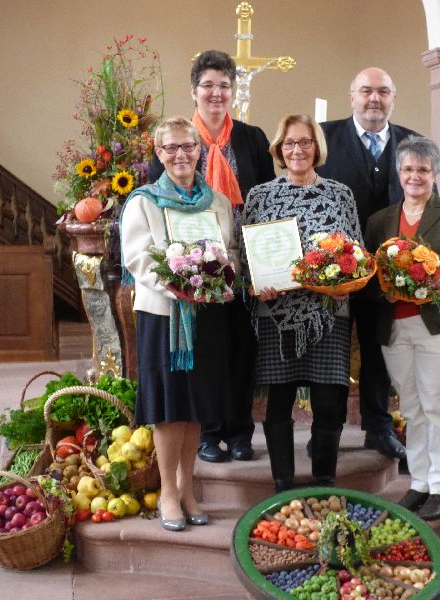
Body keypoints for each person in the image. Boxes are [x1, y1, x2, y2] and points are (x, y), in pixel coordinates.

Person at [151, 50, 276, 464]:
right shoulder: (179, 141)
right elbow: (159, 199)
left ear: (233, 91)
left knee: (241, 346)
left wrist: (263, 261)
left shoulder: (252, 138)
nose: (216, 93)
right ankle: (208, 432)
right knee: (204, 350)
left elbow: (266, 200)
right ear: (194, 91)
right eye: (208, 85)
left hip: (243, 263)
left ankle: (240, 432)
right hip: (195, 270)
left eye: (224, 85)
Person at [121, 116, 239, 531]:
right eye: (170, 148)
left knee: (195, 408)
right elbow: (138, 259)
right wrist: (180, 286)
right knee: (170, 409)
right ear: (159, 154)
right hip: (164, 316)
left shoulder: (217, 202)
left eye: (187, 146)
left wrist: (221, 276)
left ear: (199, 150)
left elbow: (229, 252)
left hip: (206, 318)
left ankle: (188, 488)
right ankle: (168, 494)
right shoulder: (144, 202)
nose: (180, 155)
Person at [244, 114, 362, 491]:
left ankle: (324, 479)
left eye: (305, 142)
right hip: (277, 314)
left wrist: (346, 284)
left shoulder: (340, 193)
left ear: (317, 148)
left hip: (328, 311)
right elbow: (248, 255)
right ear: (279, 149)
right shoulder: (260, 195)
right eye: (290, 143)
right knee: (278, 401)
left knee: (330, 401)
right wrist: (257, 284)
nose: (297, 150)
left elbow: (356, 250)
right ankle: (283, 481)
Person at [365, 136, 440, 520]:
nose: (415, 176)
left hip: (439, 327)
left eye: (423, 170)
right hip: (395, 329)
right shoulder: (380, 220)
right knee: (412, 408)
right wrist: (387, 288)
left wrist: (427, 285)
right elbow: (370, 276)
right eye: (409, 169)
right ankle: (419, 484)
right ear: (399, 173)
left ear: (435, 174)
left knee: (439, 406)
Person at [317, 67, 423, 460]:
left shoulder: (412, 142)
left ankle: (378, 428)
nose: (374, 98)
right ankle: (325, 430)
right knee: (332, 350)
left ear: (393, 97)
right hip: (334, 269)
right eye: (366, 91)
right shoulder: (324, 137)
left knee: (380, 349)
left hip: (388, 271)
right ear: (351, 96)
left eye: (382, 91)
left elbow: (426, 201)